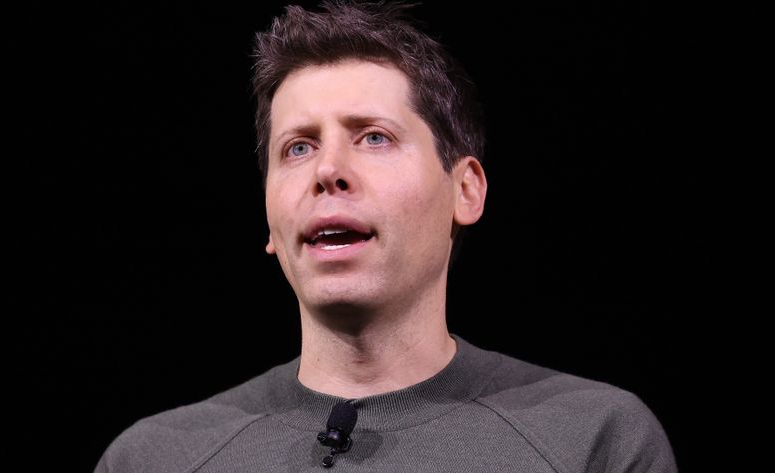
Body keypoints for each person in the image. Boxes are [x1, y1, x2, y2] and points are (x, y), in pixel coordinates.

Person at [94, 1, 677, 471]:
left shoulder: (592, 440)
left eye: (373, 137)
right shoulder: (153, 457)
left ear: (465, 191)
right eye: (298, 147)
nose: (327, 169)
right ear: (270, 218)